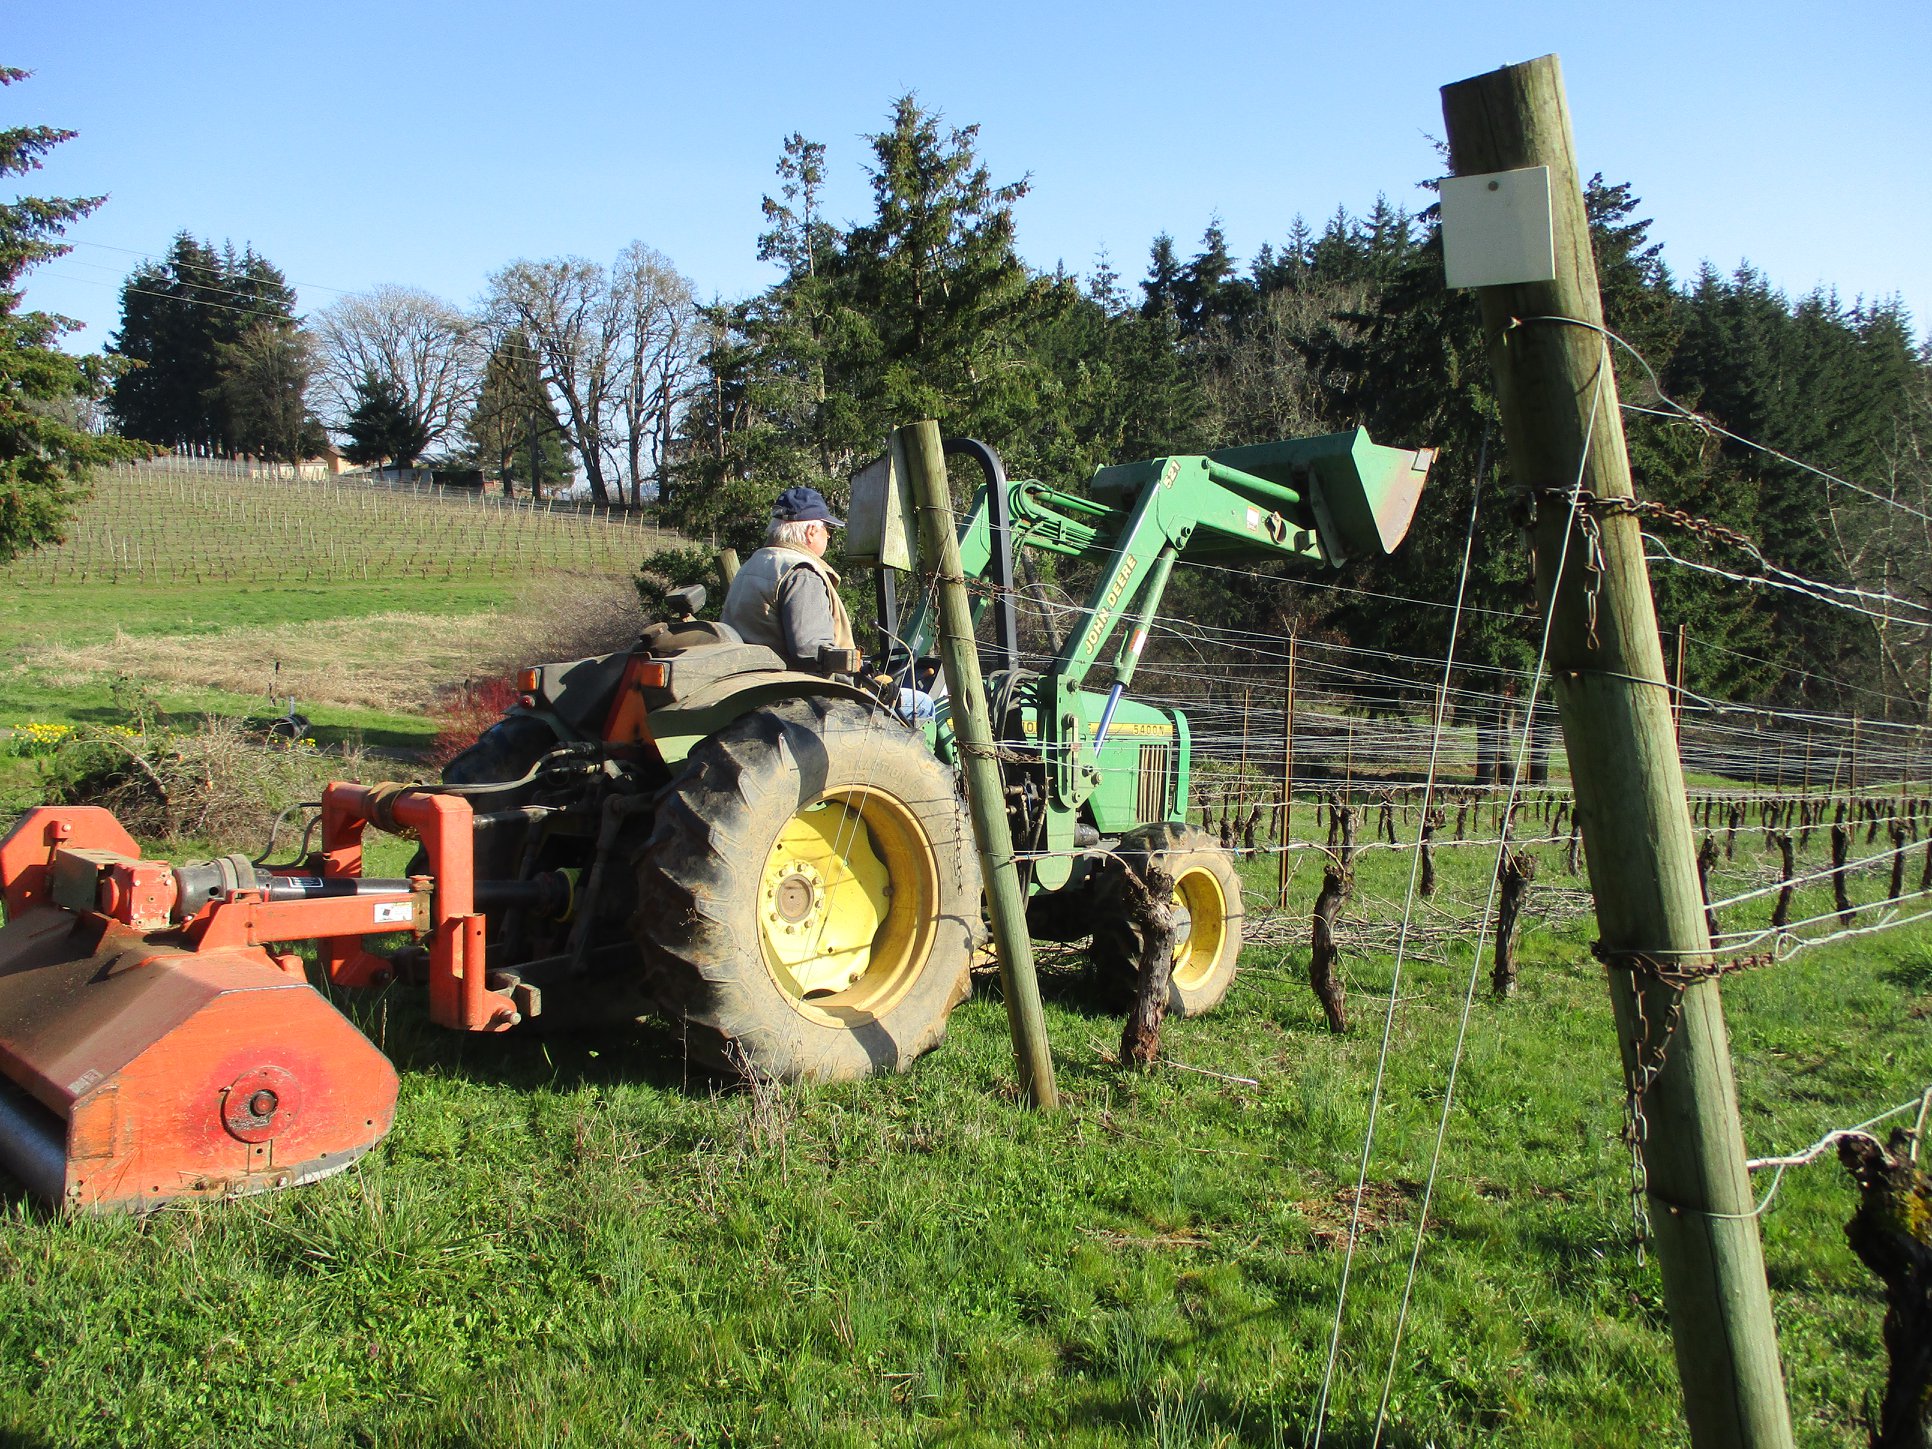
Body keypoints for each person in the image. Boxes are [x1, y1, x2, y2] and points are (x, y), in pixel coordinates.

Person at [722, 486, 859, 675]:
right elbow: (812, 651)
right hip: (794, 690)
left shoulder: (752, 564)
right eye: (827, 530)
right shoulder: (801, 573)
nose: (828, 536)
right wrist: (859, 674)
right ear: (811, 531)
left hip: (750, 680)